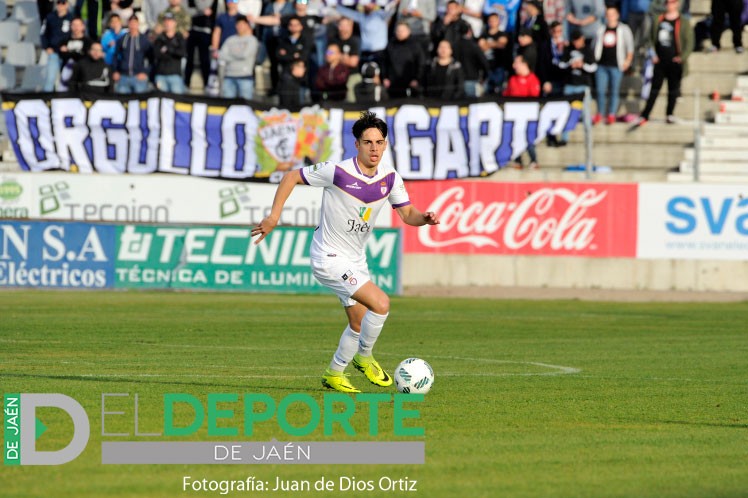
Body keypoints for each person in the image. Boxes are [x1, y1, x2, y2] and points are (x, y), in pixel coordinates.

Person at [251, 111, 440, 394]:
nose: (374, 148)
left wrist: (423, 219)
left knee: (359, 321)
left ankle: (334, 373)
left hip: (355, 260)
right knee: (381, 303)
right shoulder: (337, 172)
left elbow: (407, 213)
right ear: (357, 145)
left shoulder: (390, 178)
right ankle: (364, 358)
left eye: (379, 142)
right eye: (368, 142)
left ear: (386, 144)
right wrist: (274, 216)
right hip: (328, 257)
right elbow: (291, 177)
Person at [636, 0, 693, 126]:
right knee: (654, 89)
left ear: (677, 4)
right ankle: (645, 114)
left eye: (672, 2)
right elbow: (650, 39)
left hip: (674, 62)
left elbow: (689, 42)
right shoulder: (658, 19)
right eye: (667, 3)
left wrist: (682, 57)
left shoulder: (683, 21)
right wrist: (653, 54)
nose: (669, 5)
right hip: (659, 61)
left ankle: (669, 114)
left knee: (673, 90)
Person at [592, 6, 634, 125]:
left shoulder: (623, 29)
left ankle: (611, 114)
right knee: (600, 91)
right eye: (608, 14)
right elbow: (595, 45)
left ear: (617, 15)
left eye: (612, 14)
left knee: (614, 91)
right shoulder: (601, 29)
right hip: (602, 65)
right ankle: (600, 113)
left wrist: (627, 61)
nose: (610, 17)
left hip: (616, 65)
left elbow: (630, 47)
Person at [504, 54, 541, 169]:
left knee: (528, 138)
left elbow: (534, 96)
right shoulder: (512, 79)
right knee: (515, 137)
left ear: (525, 64)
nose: (514, 66)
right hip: (514, 116)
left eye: (517, 63)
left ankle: (533, 160)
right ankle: (517, 160)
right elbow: (506, 95)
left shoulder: (533, 79)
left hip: (528, 117)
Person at [218, 14, 259, 99]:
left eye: (242, 24)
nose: (239, 27)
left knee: (245, 106)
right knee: (227, 105)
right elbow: (221, 55)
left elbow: (244, 55)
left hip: (244, 77)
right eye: (237, 24)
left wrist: (230, 55)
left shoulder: (252, 40)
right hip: (229, 76)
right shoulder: (230, 39)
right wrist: (237, 55)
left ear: (247, 25)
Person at [383, 21, 425, 98]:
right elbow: (385, 62)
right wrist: (385, 77)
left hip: (411, 84)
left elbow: (421, 63)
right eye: (398, 31)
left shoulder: (415, 45)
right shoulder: (391, 44)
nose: (400, 33)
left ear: (409, 31)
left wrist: (417, 79)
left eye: (402, 31)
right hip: (393, 84)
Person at [41, 0, 75, 92]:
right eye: (58, 3)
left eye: (63, 3)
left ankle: (65, 101)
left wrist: (69, 47)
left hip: (67, 54)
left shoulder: (72, 18)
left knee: (66, 80)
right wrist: (46, 47)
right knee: (50, 78)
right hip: (54, 52)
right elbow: (43, 33)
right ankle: (47, 100)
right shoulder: (50, 17)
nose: (60, 5)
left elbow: (76, 35)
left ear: (67, 4)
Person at [113, 15, 152, 94]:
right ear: (128, 24)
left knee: (139, 102)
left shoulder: (144, 40)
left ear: (138, 24)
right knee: (123, 101)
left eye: (135, 23)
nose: (133, 26)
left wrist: (145, 72)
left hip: (138, 77)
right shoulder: (123, 39)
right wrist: (115, 71)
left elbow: (151, 58)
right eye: (131, 23)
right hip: (123, 76)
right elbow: (115, 56)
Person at [153, 13, 187, 93]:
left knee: (177, 102)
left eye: (170, 21)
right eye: (166, 21)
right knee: (161, 101)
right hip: (161, 75)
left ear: (175, 23)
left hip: (175, 75)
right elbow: (157, 54)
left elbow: (182, 53)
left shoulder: (179, 37)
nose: (168, 23)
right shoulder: (159, 38)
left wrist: (168, 49)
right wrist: (173, 51)